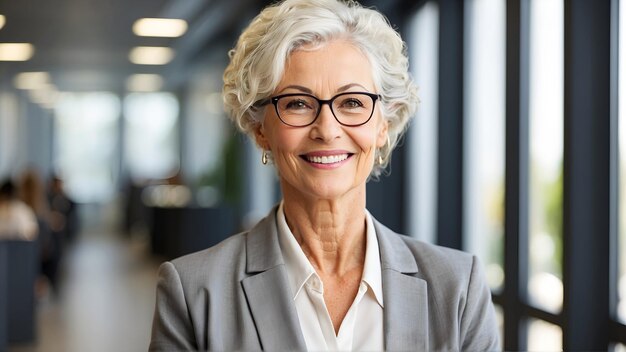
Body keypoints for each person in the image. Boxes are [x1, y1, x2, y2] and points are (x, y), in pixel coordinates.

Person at [149, 0, 500, 350]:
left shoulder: (458, 288)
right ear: (260, 129)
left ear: (384, 124)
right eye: (298, 103)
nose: (327, 129)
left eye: (352, 102)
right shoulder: (193, 292)